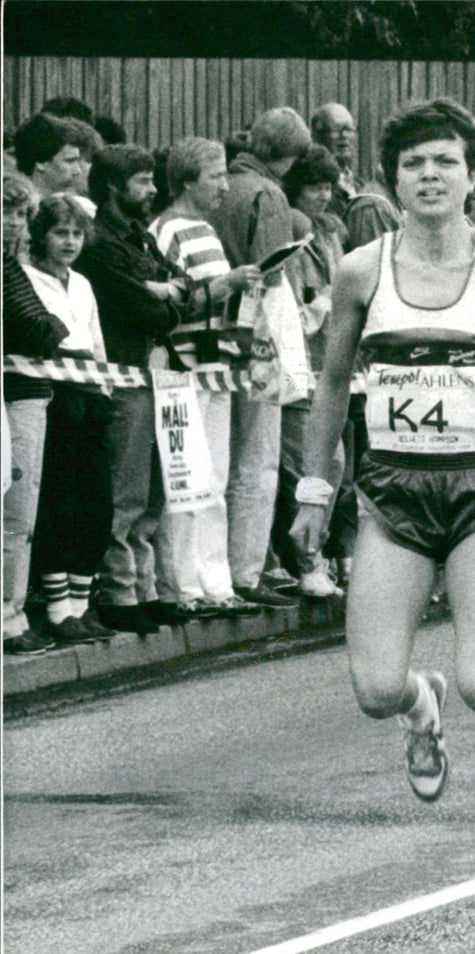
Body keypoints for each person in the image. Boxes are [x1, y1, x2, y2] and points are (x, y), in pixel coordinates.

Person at [290, 98, 475, 802]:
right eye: (413, 163)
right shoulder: (362, 269)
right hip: (393, 492)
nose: (430, 175)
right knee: (376, 688)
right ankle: (424, 709)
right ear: (392, 179)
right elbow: (331, 384)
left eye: (445, 161)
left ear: (472, 172)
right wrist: (313, 490)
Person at [74, 144, 191, 635]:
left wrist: (163, 291)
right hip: (125, 376)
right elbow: (142, 309)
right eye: (142, 181)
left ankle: (146, 586)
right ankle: (119, 590)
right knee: (125, 489)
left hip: (158, 375)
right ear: (113, 187)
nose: (152, 190)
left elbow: (181, 286)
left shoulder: (141, 237)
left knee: (155, 491)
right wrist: (159, 294)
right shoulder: (100, 243)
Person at [148, 136, 264, 620]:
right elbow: (171, 300)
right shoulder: (168, 230)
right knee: (187, 477)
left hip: (217, 367)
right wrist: (226, 285)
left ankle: (215, 581)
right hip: (182, 369)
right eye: (215, 176)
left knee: (214, 476)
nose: (223, 184)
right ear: (187, 180)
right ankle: (183, 584)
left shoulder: (207, 230)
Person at [210, 107, 311, 606]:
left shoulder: (221, 187)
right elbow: (272, 274)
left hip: (218, 334)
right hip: (258, 337)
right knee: (258, 458)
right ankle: (247, 569)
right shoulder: (267, 195)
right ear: (288, 156)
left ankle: (224, 568)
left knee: (222, 458)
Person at [23, 195, 117, 645]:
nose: (70, 242)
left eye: (77, 233)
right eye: (60, 233)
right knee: (60, 500)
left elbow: (95, 340)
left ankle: (82, 605)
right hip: (55, 395)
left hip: (90, 393)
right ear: (42, 234)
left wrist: (105, 389)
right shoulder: (26, 278)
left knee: (96, 501)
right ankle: (60, 610)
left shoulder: (81, 283)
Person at [273, 144, 347, 598]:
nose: (321, 195)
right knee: (310, 464)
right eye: (313, 186)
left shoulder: (331, 232)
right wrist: (320, 304)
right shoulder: (292, 235)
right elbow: (299, 305)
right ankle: (306, 561)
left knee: (336, 465)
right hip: (298, 364)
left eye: (327, 187)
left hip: (332, 363)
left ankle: (318, 555)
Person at [2, 175, 68, 655]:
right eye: (5, 212)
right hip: (16, 394)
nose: (13, 223)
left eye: (21, 214)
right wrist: (49, 327)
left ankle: (12, 614)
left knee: (19, 515)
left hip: (26, 394)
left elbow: (46, 327)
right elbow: (37, 326)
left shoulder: (13, 269)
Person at [310, 103, 362, 218]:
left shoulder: (361, 186)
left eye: (348, 129)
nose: (343, 136)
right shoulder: (312, 187)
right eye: (336, 129)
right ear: (315, 136)